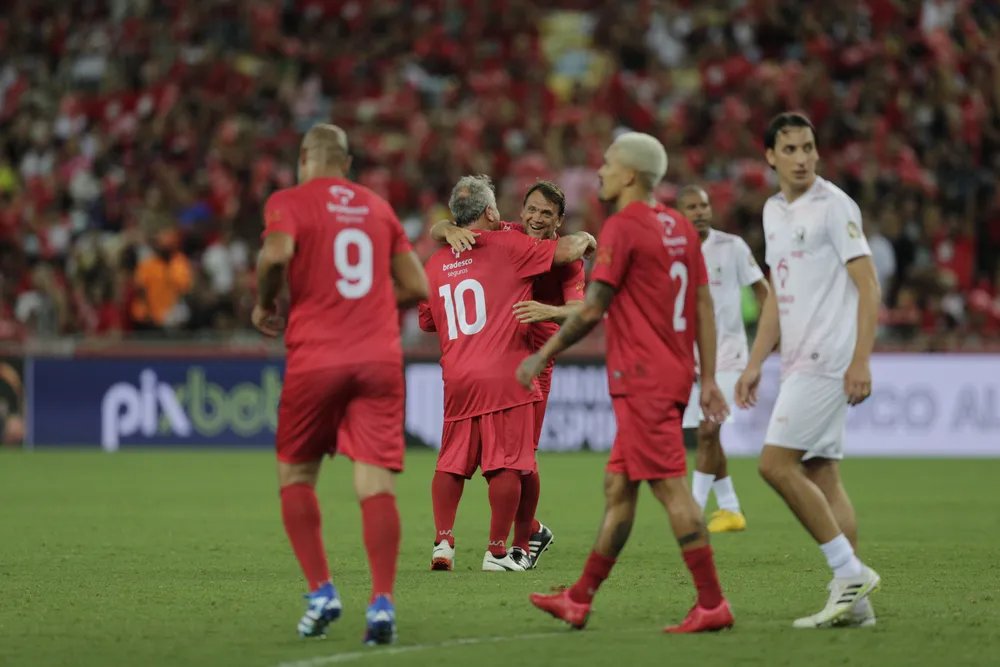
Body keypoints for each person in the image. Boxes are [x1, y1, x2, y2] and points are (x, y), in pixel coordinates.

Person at [516, 132, 734, 633]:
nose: (601, 172)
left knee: (671, 490)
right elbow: (702, 303)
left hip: (643, 379)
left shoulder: (623, 227)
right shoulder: (680, 226)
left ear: (631, 175)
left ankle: (712, 602)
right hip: (671, 374)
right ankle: (579, 598)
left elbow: (593, 308)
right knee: (619, 486)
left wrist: (542, 354)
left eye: (610, 164)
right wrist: (709, 377)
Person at [253, 124, 430, 644]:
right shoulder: (377, 207)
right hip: (378, 359)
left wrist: (266, 302)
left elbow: (276, 255)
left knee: (296, 475)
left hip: (317, 357)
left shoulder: (289, 200)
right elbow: (417, 285)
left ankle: (322, 590)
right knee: (375, 485)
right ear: (347, 163)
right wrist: (370, 304)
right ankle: (382, 603)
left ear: (305, 158)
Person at [735, 112, 882, 629]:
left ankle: (849, 572)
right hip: (797, 359)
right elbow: (776, 293)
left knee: (774, 465)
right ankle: (856, 605)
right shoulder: (774, 211)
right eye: (791, 149)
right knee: (822, 472)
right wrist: (756, 362)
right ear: (771, 157)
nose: (802, 158)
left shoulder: (834, 206)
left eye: (809, 148)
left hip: (828, 358)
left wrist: (861, 358)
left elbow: (868, 285)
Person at [419, 174, 595, 572]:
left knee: (520, 460)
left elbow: (583, 309)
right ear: (511, 212)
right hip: (503, 356)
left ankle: (519, 543)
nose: (535, 217)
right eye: (531, 209)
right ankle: (527, 533)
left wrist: (550, 310)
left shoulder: (562, 262)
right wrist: (446, 227)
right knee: (514, 460)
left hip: (536, 359)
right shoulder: (510, 236)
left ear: (558, 220)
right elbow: (460, 227)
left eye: (546, 213)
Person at [676, 185, 769, 532]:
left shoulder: (732, 247)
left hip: (729, 356)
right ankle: (730, 508)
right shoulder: (671, 251)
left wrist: (766, 341)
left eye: (704, 205)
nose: (700, 211)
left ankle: (694, 512)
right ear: (678, 213)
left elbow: (764, 293)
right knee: (710, 435)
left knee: (707, 430)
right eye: (691, 206)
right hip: (688, 359)